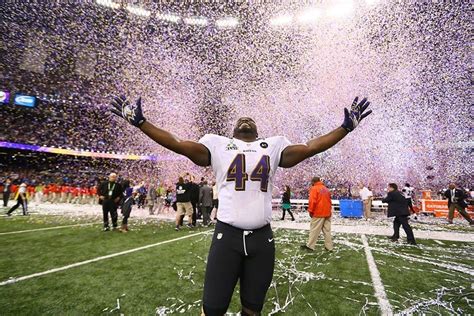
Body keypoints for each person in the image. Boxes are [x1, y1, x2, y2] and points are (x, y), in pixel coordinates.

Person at [111, 94, 372, 315]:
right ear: (233, 131)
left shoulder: (273, 145)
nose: (245, 120)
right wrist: (142, 123)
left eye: (250, 120)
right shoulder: (217, 144)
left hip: (262, 240)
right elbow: (177, 144)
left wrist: (345, 128)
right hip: (228, 237)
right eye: (240, 120)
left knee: (253, 308)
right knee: (213, 309)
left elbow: (311, 147)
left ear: (258, 132)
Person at [301, 177, 333, 251]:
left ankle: (310, 246)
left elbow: (312, 201)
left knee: (314, 230)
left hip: (319, 212)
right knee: (327, 231)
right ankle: (329, 247)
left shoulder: (314, 188)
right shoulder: (325, 188)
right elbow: (329, 201)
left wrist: (310, 211)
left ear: (313, 182)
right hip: (327, 212)